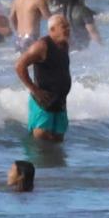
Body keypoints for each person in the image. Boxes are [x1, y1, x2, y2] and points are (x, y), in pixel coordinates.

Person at [15, 12, 73, 143]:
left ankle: (55, 164)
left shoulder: (64, 45)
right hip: (43, 102)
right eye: (64, 26)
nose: (68, 29)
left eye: (68, 26)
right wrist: (35, 90)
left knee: (58, 139)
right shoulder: (42, 46)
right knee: (40, 138)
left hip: (60, 102)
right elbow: (19, 66)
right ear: (52, 30)